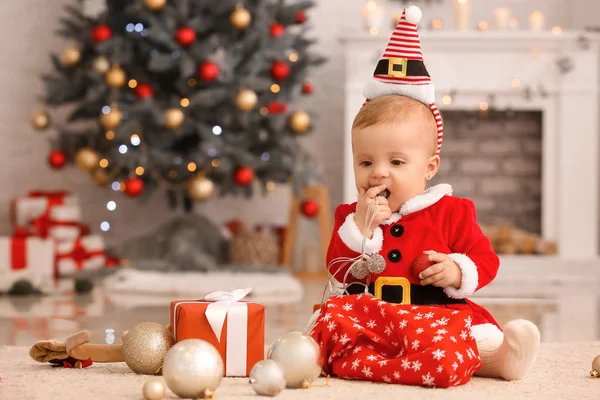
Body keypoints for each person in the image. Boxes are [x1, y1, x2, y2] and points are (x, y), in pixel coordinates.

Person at [308, 6, 540, 386]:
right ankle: (388, 362)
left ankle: (497, 359)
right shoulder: (350, 215)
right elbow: (336, 270)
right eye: (365, 161)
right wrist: (360, 231)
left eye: (396, 161)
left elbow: (486, 260)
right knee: (331, 322)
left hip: (434, 314)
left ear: (429, 168)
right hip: (374, 316)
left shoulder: (452, 211)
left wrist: (456, 270)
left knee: (462, 335)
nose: (378, 172)